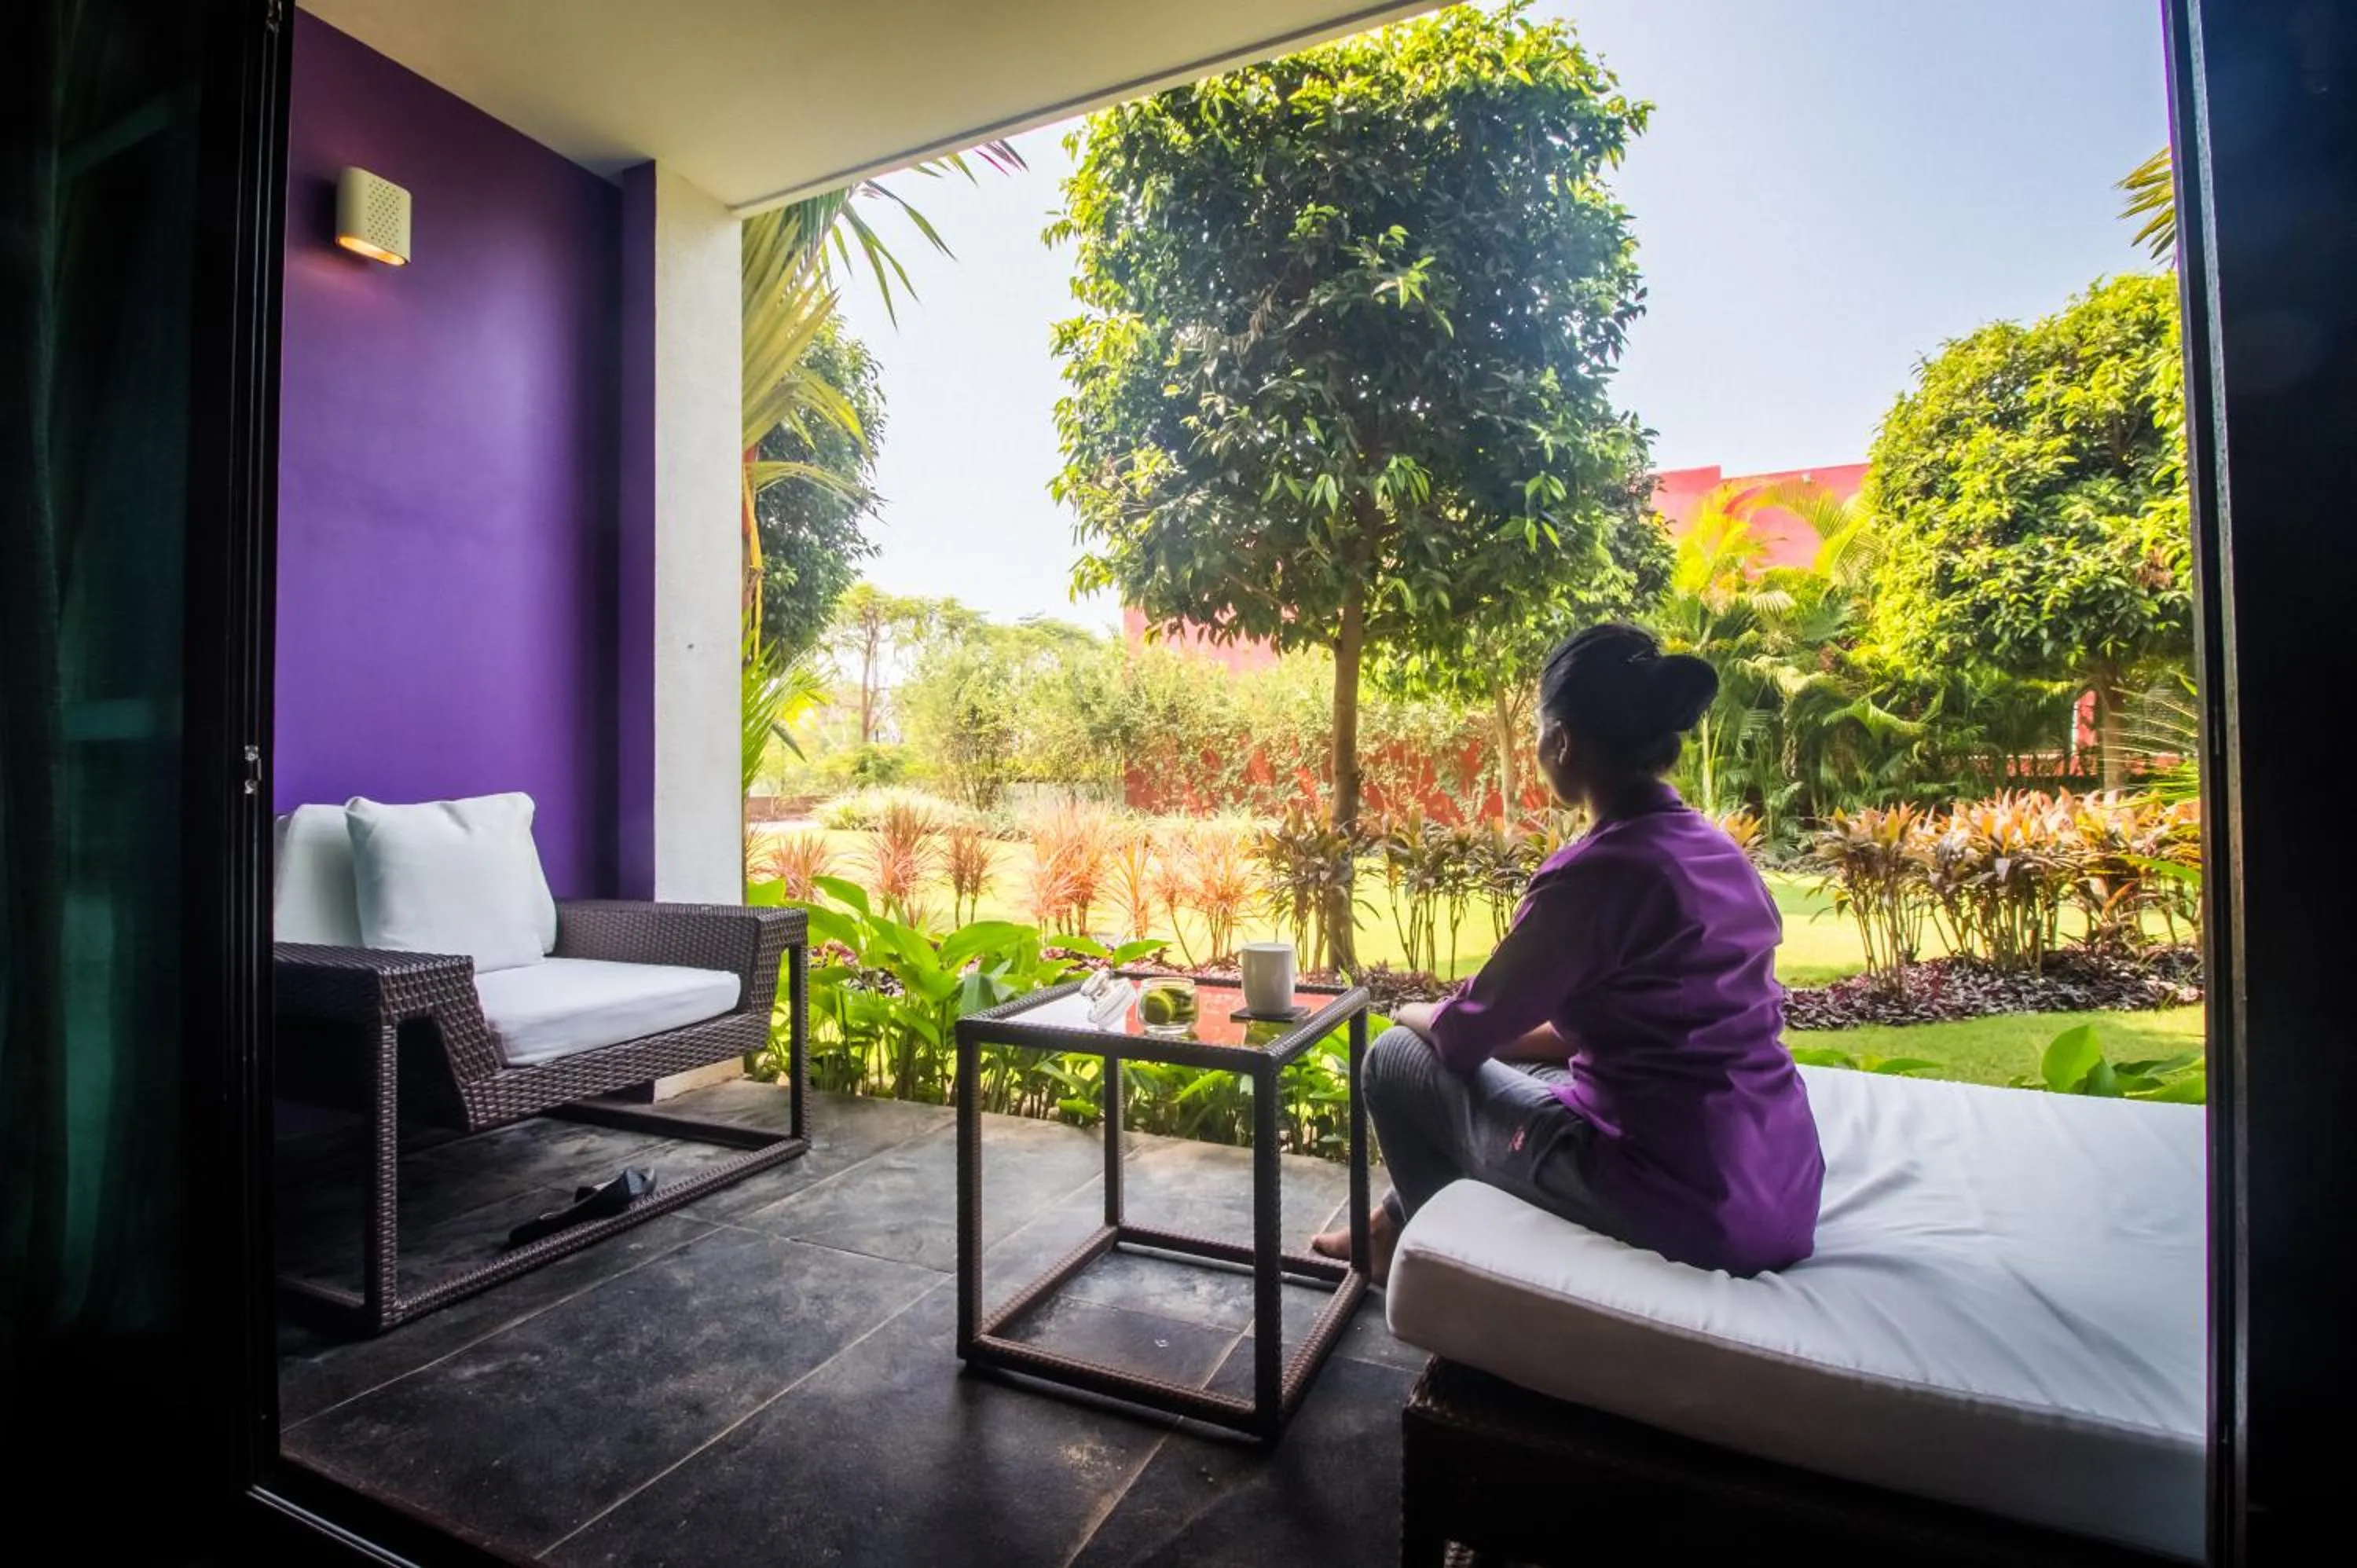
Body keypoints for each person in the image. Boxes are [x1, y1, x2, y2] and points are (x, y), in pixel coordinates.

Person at [1312, 623, 1824, 1283]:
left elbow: (1463, 1036)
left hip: (1688, 1205)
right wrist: (1497, 1040)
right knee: (1545, 1077)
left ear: (1562, 741)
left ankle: (1436, 1272)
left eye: (1538, 731)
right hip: (1779, 1185)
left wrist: (1415, 1009)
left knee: (1395, 1060)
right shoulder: (1715, 850)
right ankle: (1391, 1225)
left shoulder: (1597, 873)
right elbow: (1639, 1033)